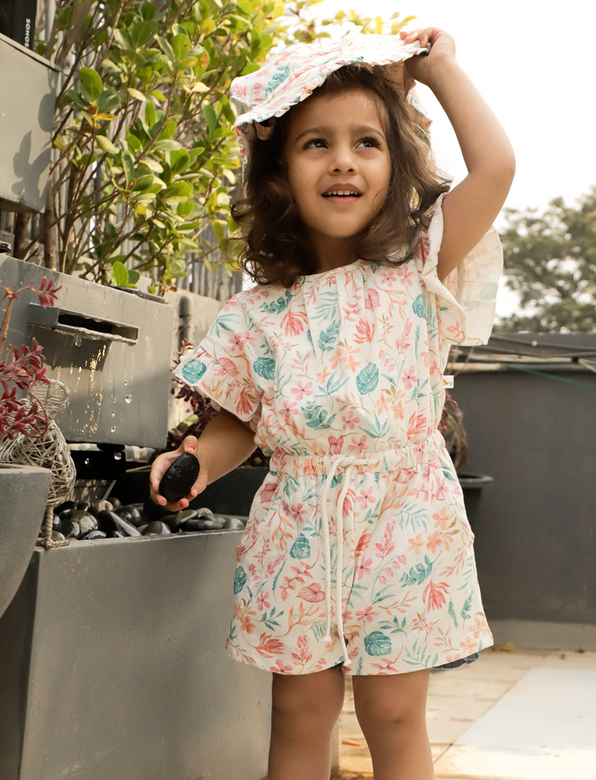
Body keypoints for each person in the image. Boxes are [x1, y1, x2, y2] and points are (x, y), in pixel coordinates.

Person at [151, 26, 515, 780]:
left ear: (395, 166)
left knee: (391, 716)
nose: (343, 158)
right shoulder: (256, 312)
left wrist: (439, 68)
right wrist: (193, 461)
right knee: (301, 716)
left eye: (366, 143)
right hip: (297, 529)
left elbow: (497, 166)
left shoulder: (419, 264)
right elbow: (240, 425)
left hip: (403, 516)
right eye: (316, 143)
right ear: (281, 170)